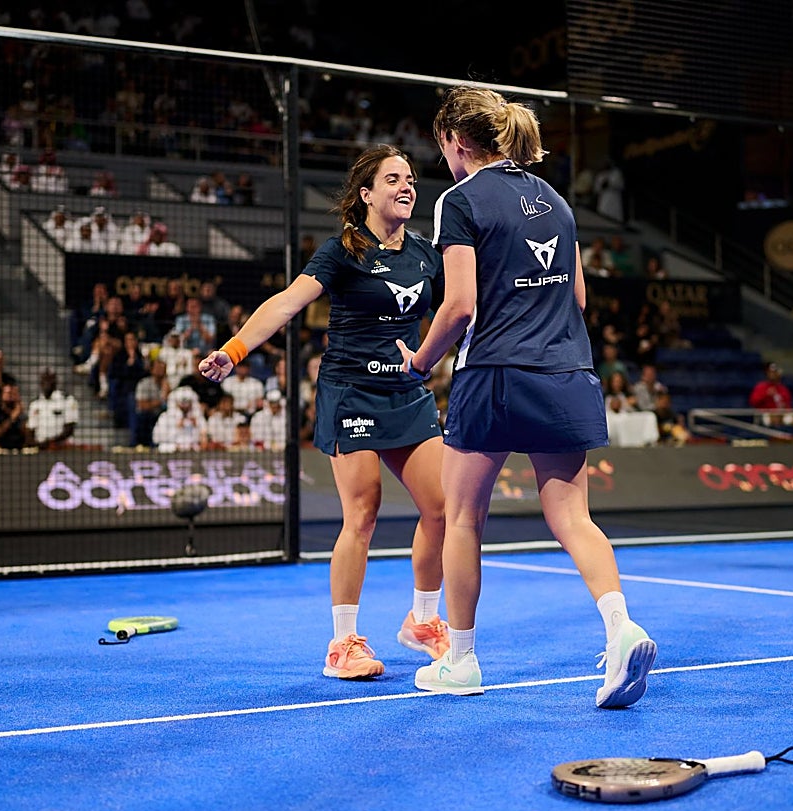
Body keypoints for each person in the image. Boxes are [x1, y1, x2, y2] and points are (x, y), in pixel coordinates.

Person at [394, 86, 656, 705]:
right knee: (573, 517)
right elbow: (580, 301)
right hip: (568, 372)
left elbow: (459, 306)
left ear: (457, 143)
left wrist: (421, 361)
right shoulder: (557, 202)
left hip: (493, 374)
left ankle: (460, 661)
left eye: (443, 149)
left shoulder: (459, 200)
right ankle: (621, 629)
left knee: (463, 518)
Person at [199, 144, 450, 681]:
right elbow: (286, 303)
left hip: (407, 395)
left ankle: (423, 622)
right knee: (363, 513)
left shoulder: (427, 255)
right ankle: (343, 643)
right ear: (366, 194)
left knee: (442, 507)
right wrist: (235, 349)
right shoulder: (342, 252)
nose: (407, 186)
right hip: (351, 393)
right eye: (392, 180)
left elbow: (459, 309)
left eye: (410, 178)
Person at [27, 367, 79, 449]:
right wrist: (35, 444)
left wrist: (50, 443)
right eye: (44, 379)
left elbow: (69, 429)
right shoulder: (35, 404)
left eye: (50, 379)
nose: (47, 382)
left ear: (55, 381)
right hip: (41, 447)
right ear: (40, 382)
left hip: (61, 447)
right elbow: (31, 429)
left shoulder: (68, 400)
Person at [749, 361, 793, 427]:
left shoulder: (783, 389)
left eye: (774, 372)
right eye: (770, 372)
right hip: (765, 414)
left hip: (782, 414)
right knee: (775, 417)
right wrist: (766, 394)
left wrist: (784, 407)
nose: (772, 374)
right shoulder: (761, 387)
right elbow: (753, 402)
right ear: (767, 373)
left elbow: (788, 405)